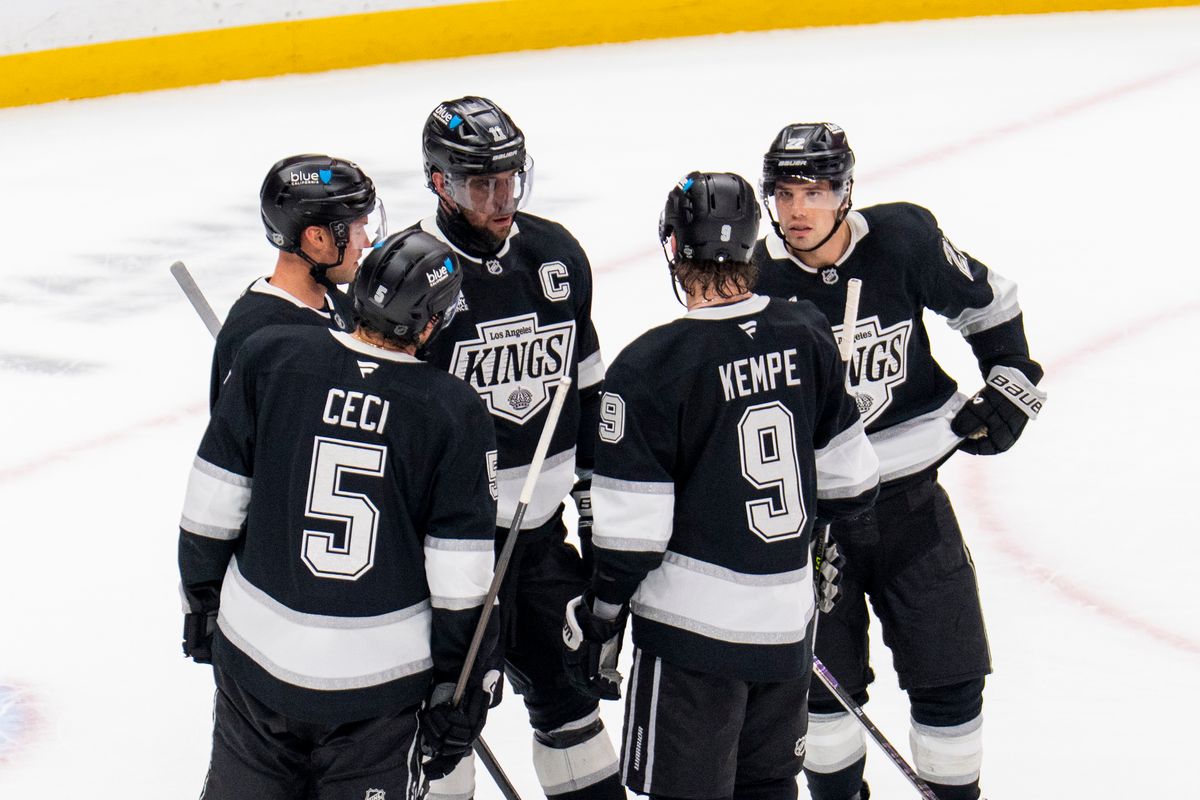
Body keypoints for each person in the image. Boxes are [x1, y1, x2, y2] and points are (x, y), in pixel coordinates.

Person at [562, 172, 880, 800]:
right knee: (768, 788)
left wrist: (599, 617)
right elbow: (853, 482)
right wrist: (809, 550)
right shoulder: (806, 329)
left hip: (691, 643)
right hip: (787, 629)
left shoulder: (653, 363)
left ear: (675, 249)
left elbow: (631, 541)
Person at [752, 123, 1048, 800]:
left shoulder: (902, 240)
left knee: (951, 678)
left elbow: (990, 301)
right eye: (786, 193)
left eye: (817, 191)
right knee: (822, 703)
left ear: (846, 191)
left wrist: (1012, 380)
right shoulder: (754, 275)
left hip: (912, 502)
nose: (799, 210)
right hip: (809, 523)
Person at [178, 229, 500, 798]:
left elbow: (211, 505)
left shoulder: (271, 356)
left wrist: (201, 606)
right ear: (430, 321)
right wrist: (464, 681)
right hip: (377, 689)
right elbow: (460, 577)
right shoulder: (452, 410)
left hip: (255, 659)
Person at [408, 95, 623, 800]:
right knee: (444, 733)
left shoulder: (553, 254)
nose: (501, 199)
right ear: (438, 182)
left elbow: (590, 397)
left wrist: (596, 515)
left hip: (541, 544)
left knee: (573, 710)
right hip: (445, 558)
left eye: (510, 180)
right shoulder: (408, 275)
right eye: (480, 184)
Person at [209, 153, 385, 407]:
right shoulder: (258, 330)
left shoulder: (336, 302)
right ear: (317, 237)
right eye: (358, 230)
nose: (366, 243)